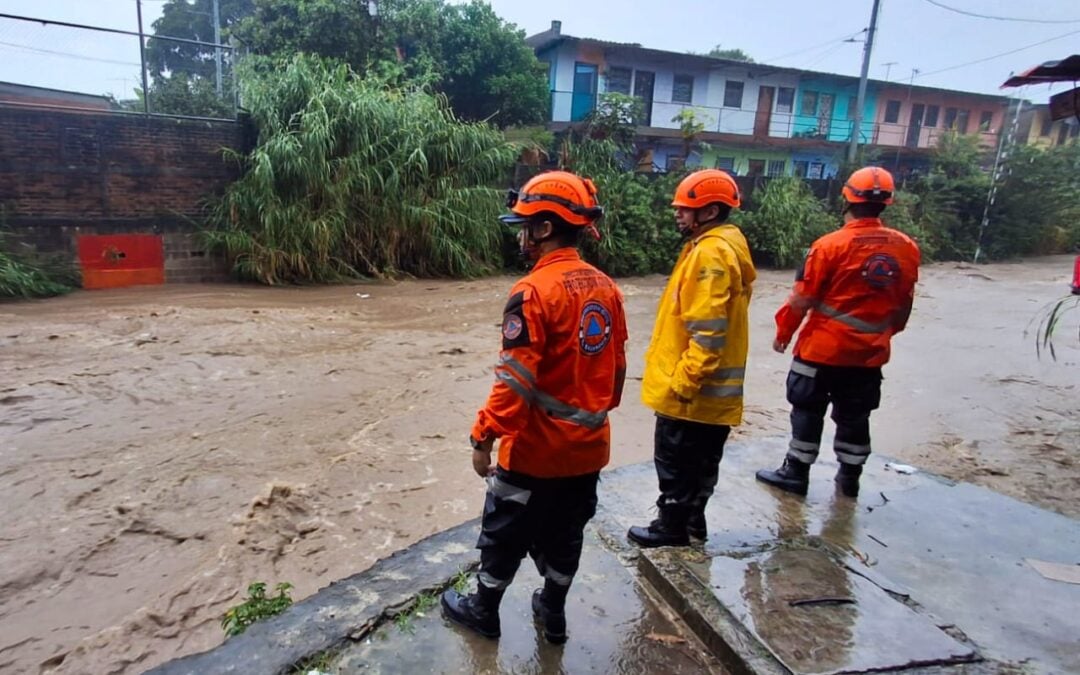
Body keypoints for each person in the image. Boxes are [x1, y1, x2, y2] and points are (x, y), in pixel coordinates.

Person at [441, 170, 628, 644]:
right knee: (567, 534)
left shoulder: (532, 292)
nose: (521, 237)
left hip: (535, 451)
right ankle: (553, 613)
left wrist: (483, 436)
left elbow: (515, 380)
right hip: (589, 448)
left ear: (545, 228)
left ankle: (484, 610)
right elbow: (618, 367)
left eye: (526, 226)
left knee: (504, 531)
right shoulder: (607, 286)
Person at [756, 166, 920, 498]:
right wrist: (884, 335)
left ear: (845, 198)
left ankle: (797, 472)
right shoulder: (906, 247)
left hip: (821, 349)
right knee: (856, 415)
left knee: (806, 409)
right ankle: (849, 479)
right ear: (887, 203)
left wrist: (784, 332)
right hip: (869, 354)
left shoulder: (829, 246)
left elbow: (803, 298)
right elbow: (903, 303)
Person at [628, 169, 756, 548]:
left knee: (677, 463)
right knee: (702, 464)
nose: (678, 214)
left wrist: (684, 380)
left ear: (711, 211)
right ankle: (692, 523)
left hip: (692, 393)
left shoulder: (710, 254)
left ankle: (671, 528)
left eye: (686, 208)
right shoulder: (725, 246)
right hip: (713, 396)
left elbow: (707, 327)